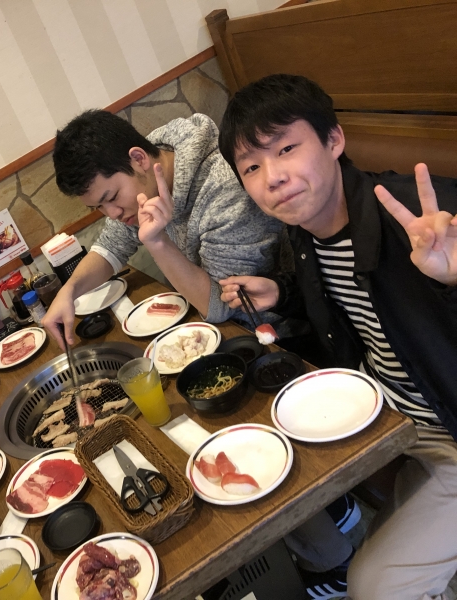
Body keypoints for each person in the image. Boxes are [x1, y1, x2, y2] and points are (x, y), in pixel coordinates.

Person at [217, 73, 457, 600]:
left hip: (446, 426)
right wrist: (282, 293)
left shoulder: (419, 216)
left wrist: (453, 279)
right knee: (250, 465)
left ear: (334, 140)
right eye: (251, 167)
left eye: (286, 149)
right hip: (383, 415)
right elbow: (350, 311)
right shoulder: (304, 235)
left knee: (372, 586)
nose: (273, 177)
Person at [42, 109, 285, 348]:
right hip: (199, 318)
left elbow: (221, 306)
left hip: (267, 336)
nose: (112, 214)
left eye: (113, 197)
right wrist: (69, 291)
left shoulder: (224, 187)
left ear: (139, 159)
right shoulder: (143, 175)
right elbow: (111, 247)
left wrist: (157, 242)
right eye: (98, 207)